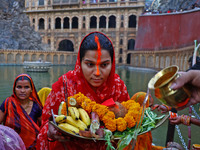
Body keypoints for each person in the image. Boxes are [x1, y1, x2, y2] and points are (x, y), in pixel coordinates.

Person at [37, 32, 153, 150]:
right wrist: (50, 131)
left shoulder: (117, 86)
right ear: (80, 62)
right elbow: (46, 125)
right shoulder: (64, 86)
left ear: (112, 64)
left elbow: (127, 122)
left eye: (104, 65)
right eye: (90, 64)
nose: (97, 72)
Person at [0, 73, 43, 149]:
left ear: (31, 89)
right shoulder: (8, 103)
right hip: (11, 147)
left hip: (33, 147)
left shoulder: (37, 106)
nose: (22, 91)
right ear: (14, 89)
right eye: (19, 87)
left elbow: (44, 129)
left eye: (26, 87)